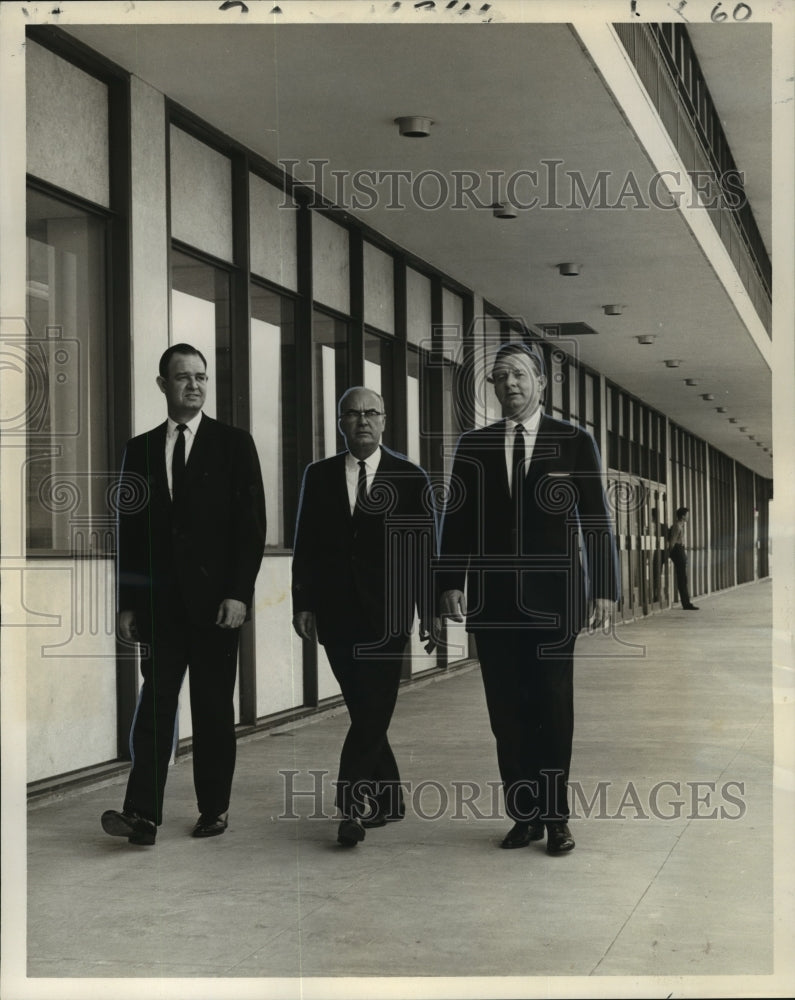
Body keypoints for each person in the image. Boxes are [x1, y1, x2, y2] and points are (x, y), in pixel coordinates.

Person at [437, 342, 619, 856]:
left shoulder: (574, 442)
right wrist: (449, 583)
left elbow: (596, 521)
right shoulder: (474, 446)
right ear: (492, 388)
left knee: (553, 706)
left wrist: (604, 587)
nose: (509, 384)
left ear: (540, 382)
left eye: (518, 375)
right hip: (493, 603)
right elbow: (458, 522)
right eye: (500, 377)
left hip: (555, 601)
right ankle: (525, 817)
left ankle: (556, 818)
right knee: (506, 712)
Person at [101, 344, 266, 846]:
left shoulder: (235, 444)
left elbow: (251, 528)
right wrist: (128, 602)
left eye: (201, 377)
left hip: (218, 610)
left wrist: (239, 594)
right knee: (155, 709)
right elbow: (130, 532)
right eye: (182, 377)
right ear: (162, 385)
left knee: (214, 711)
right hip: (162, 610)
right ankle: (141, 814)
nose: (193, 385)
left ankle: (213, 809)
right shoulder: (142, 448)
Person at [292, 386, 438, 847]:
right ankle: (390, 796)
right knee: (364, 708)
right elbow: (307, 546)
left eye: (371, 413)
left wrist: (429, 611)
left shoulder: (410, 477)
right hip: (336, 614)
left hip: (388, 614)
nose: (362, 421)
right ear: (340, 423)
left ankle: (352, 805)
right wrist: (303, 603)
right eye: (352, 414)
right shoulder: (318, 476)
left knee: (373, 707)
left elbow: (423, 550)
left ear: (384, 420)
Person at [668, 506, 699, 610]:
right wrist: (669, 554)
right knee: (682, 579)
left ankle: (686, 602)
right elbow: (672, 542)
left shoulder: (681, 526)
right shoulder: (677, 526)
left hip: (680, 550)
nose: (688, 517)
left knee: (683, 579)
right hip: (677, 550)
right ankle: (686, 604)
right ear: (682, 516)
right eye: (687, 515)